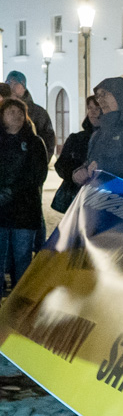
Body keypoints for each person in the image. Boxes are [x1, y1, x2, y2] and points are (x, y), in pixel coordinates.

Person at [0, 99, 48, 290]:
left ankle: (20, 300)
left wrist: (11, 191)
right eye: (11, 112)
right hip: (1, 211)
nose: (17, 116)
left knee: (22, 259)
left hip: (25, 211)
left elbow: (37, 175)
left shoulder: (35, 143)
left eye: (20, 112)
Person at [53, 95, 101, 213]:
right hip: (77, 198)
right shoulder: (76, 138)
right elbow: (60, 165)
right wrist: (74, 175)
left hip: (101, 199)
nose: (93, 112)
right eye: (90, 108)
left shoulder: (113, 139)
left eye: (97, 108)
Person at [5, 71, 55, 156]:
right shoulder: (2, 110)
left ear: (23, 87)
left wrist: (40, 163)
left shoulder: (38, 113)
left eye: (16, 83)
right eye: (8, 82)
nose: (11, 86)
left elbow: (48, 141)